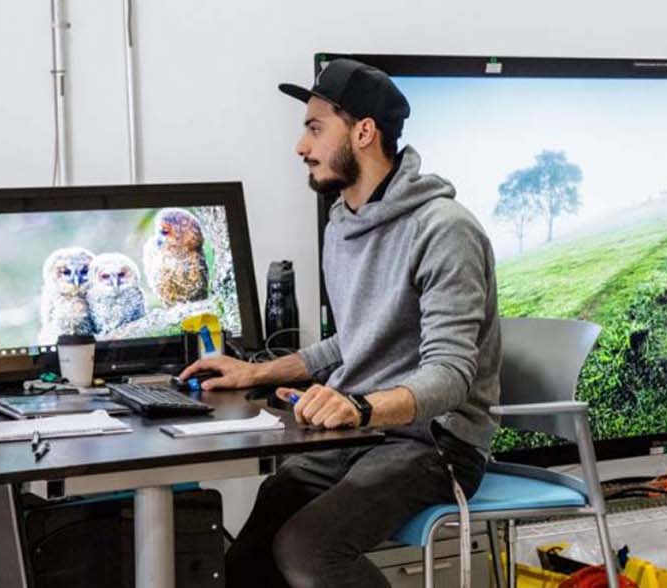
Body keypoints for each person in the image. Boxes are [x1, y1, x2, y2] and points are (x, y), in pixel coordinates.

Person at [181, 58, 501, 587]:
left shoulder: (444, 231)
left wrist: (359, 405)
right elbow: (352, 342)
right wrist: (253, 373)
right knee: (248, 554)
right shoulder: (342, 225)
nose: (300, 147)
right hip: (368, 432)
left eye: (314, 128)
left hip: (436, 443)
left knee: (308, 551)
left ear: (364, 132)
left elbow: (451, 373)